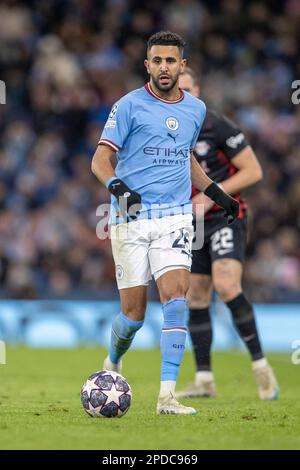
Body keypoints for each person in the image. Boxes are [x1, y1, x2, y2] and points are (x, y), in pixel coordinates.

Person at [91, 31, 239, 415]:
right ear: (147, 65)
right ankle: (112, 359)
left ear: (182, 65)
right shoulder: (128, 106)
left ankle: (166, 397)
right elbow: (100, 161)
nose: (164, 67)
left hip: (174, 216)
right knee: (133, 317)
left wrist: (214, 190)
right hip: (130, 219)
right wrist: (118, 188)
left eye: (170, 61)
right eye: (157, 61)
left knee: (177, 300)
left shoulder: (196, 109)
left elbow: (183, 156)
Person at [176, 67, 279, 400]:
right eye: (178, 91)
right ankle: (204, 379)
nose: (184, 96)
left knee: (226, 284)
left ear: (199, 90)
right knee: (196, 297)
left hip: (226, 215)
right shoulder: (168, 129)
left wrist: (210, 195)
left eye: (189, 89)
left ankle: (262, 369)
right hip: (191, 223)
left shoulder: (216, 125)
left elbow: (254, 170)